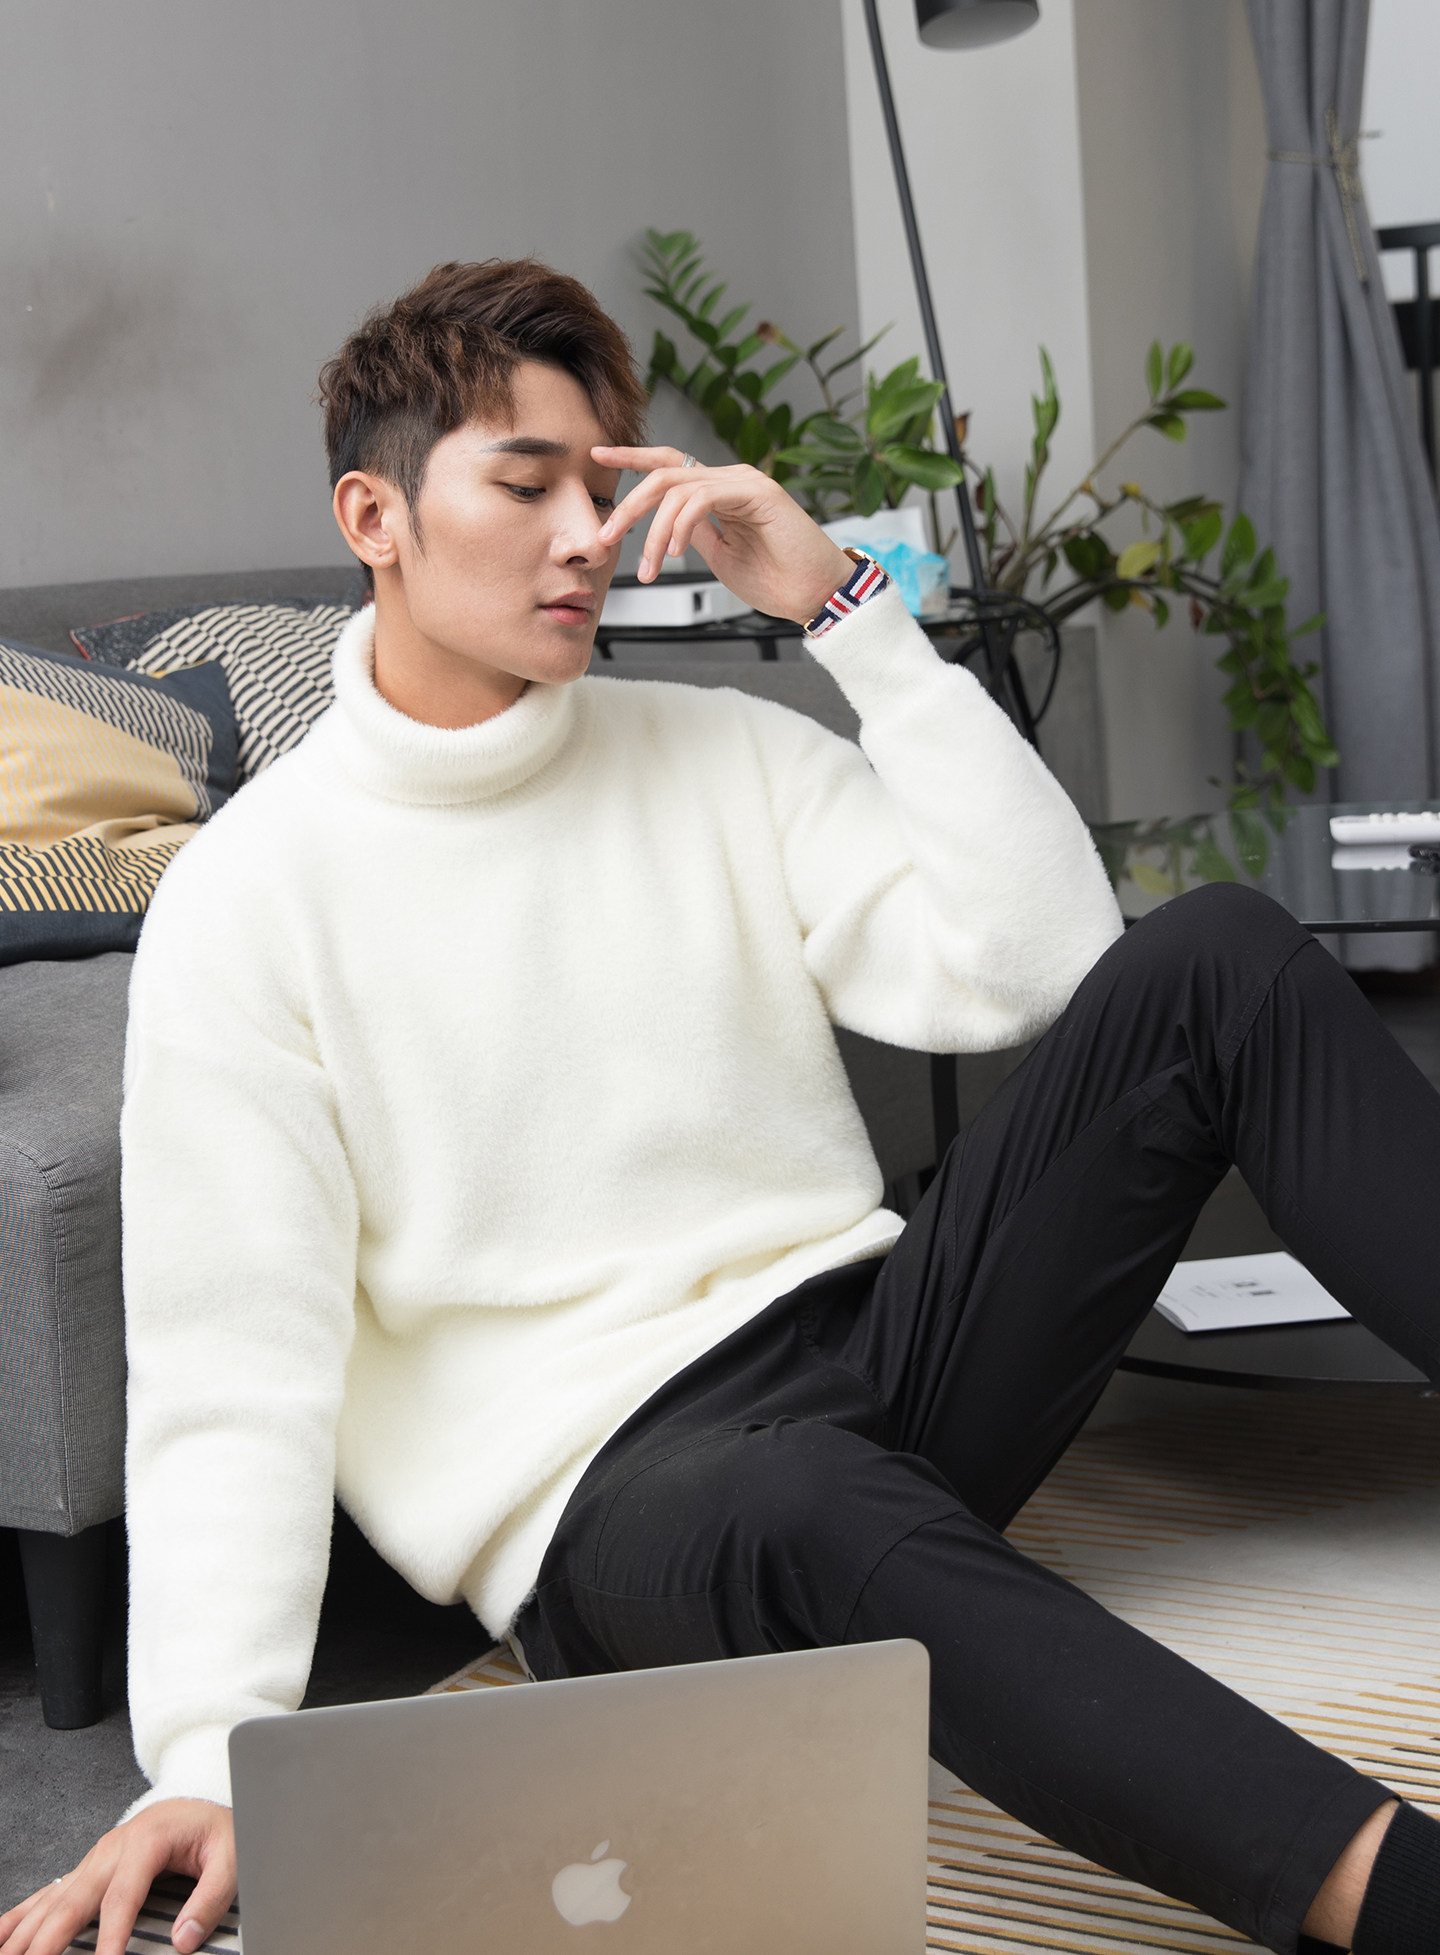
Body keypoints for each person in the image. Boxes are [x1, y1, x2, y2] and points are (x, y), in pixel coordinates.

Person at [4, 258, 1438, 1955]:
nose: (581, 541)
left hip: (884, 1362)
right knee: (802, 1504)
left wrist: (854, 617)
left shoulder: (722, 753)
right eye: (523, 488)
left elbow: (1040, 964)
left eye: (599, 493)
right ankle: (1396, 1898)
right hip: (627, 1503)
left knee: (1220, 958)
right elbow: (231, 1362)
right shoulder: (254, 900)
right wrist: (210, 1754)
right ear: (373, 517)